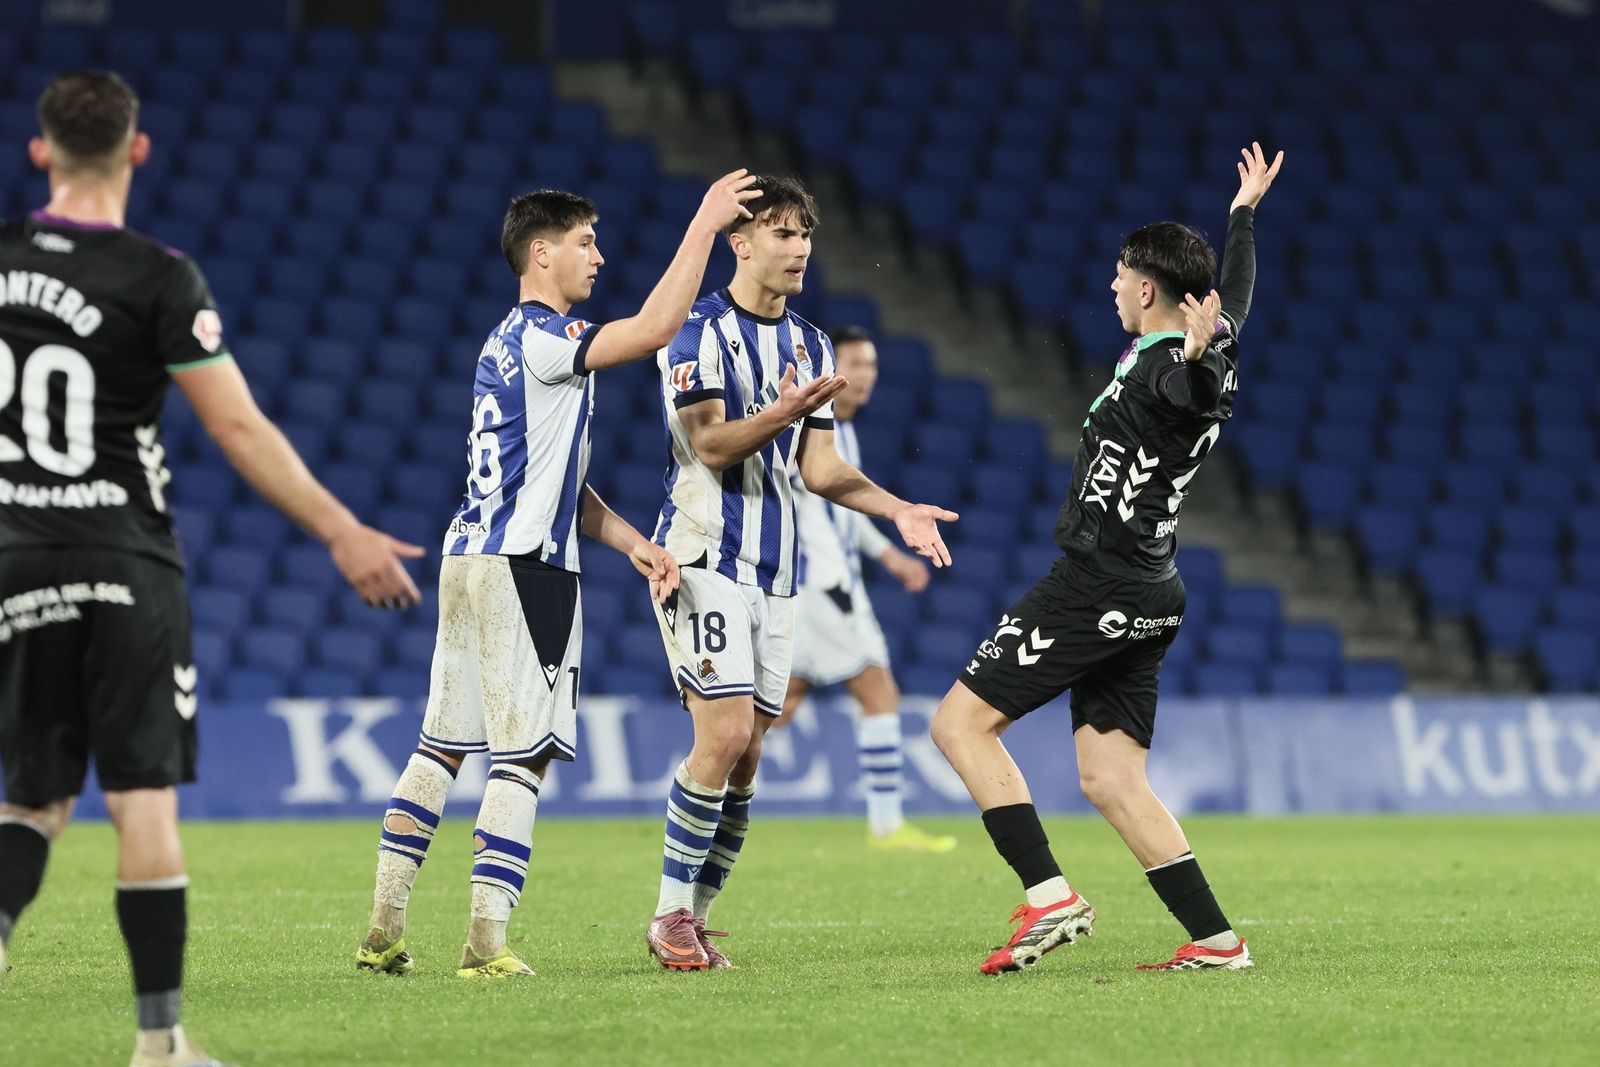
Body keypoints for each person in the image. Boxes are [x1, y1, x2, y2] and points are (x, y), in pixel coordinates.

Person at [0, 71, 423, 1067]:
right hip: (124, 558)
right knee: (140, 799)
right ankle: (159, 1045)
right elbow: (234, 422)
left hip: (16, 561)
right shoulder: (158, 276)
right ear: (137, 150)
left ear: (40, 152)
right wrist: (339, 527)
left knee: (31, 801)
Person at [355, 172, 761, 980]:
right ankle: (484, 944)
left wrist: (632, 541)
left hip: (467, 560)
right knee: (522, 757)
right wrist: (706, 227)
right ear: (541, 253)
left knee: (439, 747)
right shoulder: (546, 340)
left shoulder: (501, 344)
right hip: (525, 572)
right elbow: (652, 329)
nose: (598, 257)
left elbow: (557, 485)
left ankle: (384, 929)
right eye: (585, 242)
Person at [929, 143, 1283, 974]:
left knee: (959, 724)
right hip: (1153, 588)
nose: (1113, 288)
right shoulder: (1203, 337)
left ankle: (1048, 897)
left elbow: (1187, 390)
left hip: (1097, 581)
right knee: (1113, 779)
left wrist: (1197, 364)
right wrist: (1242, 216)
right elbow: (1234, 299)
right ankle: (1217, 940)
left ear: (1149, 288)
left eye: (1122, 277)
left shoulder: (1177, 364)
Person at [644, 176, 959, 970]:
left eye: (805, 236)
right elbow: (709, 446)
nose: (800, 249)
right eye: (782, 234)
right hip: (701, 556)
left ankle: (699, 914)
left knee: (749, 757)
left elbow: (820, 469)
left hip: (778, 575)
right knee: (723, 734)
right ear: (740, 244)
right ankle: (668, 914)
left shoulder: (813, 344)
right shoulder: (695, 331)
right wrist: (782, 413)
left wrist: (896, 511)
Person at [775, 325, 954, 853]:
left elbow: (847, 517)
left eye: (872, 366)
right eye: (854, 364)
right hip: (824, 590)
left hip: (819, 593)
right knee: (879, 692)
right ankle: (887, 825)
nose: (865, 376)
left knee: (776, 708)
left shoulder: (840, 432)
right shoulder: (809, 430)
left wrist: (892, 557)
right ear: (830, 371)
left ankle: (698, 779)